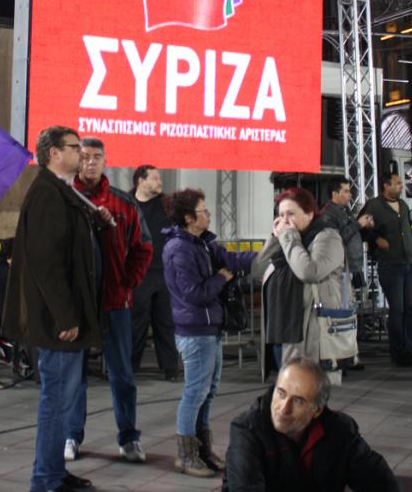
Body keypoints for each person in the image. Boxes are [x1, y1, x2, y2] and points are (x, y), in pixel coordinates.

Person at [1, 126, 101, 492]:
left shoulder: (60, 191)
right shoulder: (47, 194)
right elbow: (46, 263)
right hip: (57, 323)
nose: (83, 155)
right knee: (56, 400)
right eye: (75, 148)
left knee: (63, 400)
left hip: (63, 319)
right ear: (53, 153)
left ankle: (54, 472)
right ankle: (45, 479)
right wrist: (66, 316)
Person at [65, 137, 153, 463]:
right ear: (76, 160)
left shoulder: (124, 205)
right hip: (78, 307)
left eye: (96, 157)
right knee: (74, 375)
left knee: (122, 375)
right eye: (84, 157)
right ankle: (72, 435)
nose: (90, 162)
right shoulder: (65, 201)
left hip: (116, 304)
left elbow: (144, 248)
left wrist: (127, 284)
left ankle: (129, 438)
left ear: (105, 162)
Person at [162, 189, 256, 477]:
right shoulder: (179, 249)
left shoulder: (202, 242)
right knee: (195, 392)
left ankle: (202, 449)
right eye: (203, 210)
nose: (208, 214)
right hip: (195, 332)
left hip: (209, 328)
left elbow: (231, 259)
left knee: (208, 391)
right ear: (189, 218)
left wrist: (268, 256)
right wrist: (220, 278)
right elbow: (193, 293)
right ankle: (186, 455)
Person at [222, 358, 399, 491]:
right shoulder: (247, 430)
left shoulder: (340, 431)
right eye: (281, 394)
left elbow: (381, 483)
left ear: (317, 410)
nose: (284, 409)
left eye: (298, 401)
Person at [253, 188, 346, 382]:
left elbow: (309, 272)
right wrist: (274, 238)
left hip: (307, 329)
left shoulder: (327, 237)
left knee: (305, 390)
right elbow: (258, 270)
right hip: (280, 328)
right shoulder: (287, 238)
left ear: (310, 214)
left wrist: (288, 238)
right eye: (281, 215)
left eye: (291, 214)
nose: (285, 221)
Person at [360, 173, 412, 367]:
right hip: (390, 264)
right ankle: (398, 352)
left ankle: (408, 349)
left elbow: (407, 227)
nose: (401, 187)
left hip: (408, 262)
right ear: (386, 186)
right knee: (398, 309)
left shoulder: (403, 206)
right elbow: (362, 229)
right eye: (397, 184)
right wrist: (375, 239)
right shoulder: (374, 206)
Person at [130, 164, 180, 380]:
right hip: (139, 274)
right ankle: (130, 368)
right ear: (140, 181)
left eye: (160, 178)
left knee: (166, 323)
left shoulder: (167, 205)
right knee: (136, 323)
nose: (160, 182)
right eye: (155, 178)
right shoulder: (128, 205)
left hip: (164, 273)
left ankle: (170, 369)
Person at [320, 177, 374, 371]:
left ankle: (349, 354)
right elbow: (335, 239)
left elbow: (352, 236)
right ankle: (338, 357)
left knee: (350, 313)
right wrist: (358, 225)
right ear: (334, 194)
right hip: (340, 271)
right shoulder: (327, 214)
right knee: (340, 314)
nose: (350, 195)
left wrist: (365, 228)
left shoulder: (345, 211)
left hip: (352, 267)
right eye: (346, 191)